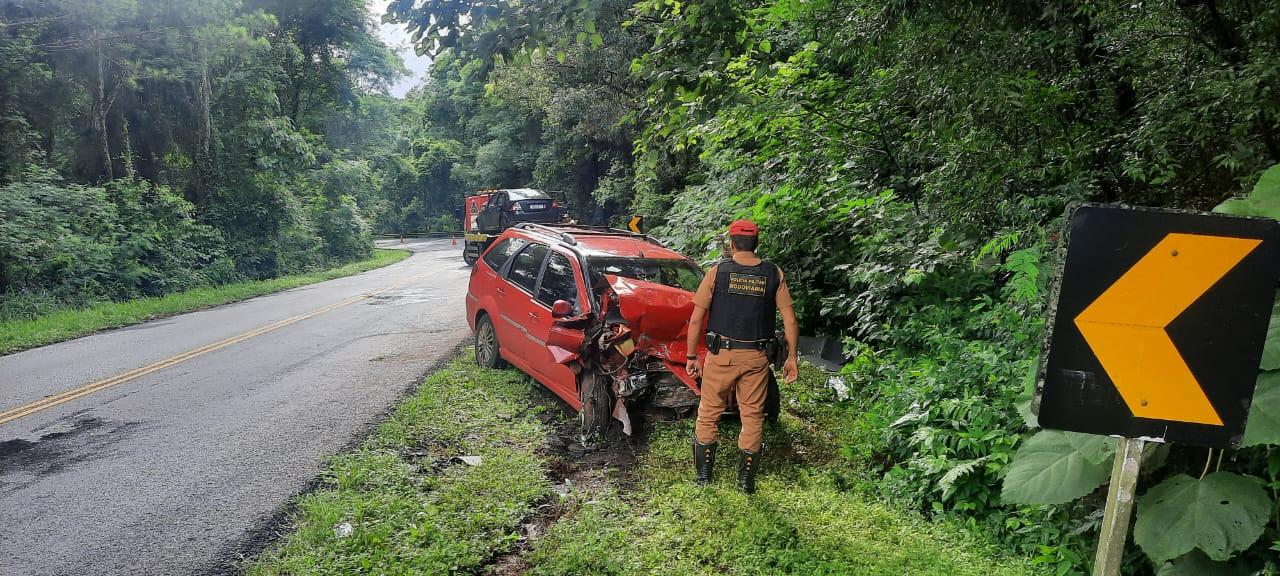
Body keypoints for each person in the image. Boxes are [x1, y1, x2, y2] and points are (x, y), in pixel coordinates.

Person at [685, 219, 799, 493]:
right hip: (756, 358)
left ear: (732, 244)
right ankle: (746, 482)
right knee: (752, 417)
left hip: (720, 356)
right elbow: (790, 320)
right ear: (756, 243)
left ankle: (704, 477)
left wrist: (691, 356)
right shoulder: (773, 273)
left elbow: (696, 319)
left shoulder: (717, 272)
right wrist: (791, 357)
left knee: (709, 414)